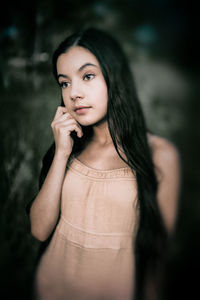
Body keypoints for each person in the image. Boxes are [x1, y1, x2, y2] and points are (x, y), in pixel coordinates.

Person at [27, 26, 180, 300]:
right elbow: (39, 230)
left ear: (114, 77)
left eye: (87, 76)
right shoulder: (66, 147)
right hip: (52, 288)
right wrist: (61, 153)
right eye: (65, 82)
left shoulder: (159, 155)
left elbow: (156, 258)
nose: (74, 93)